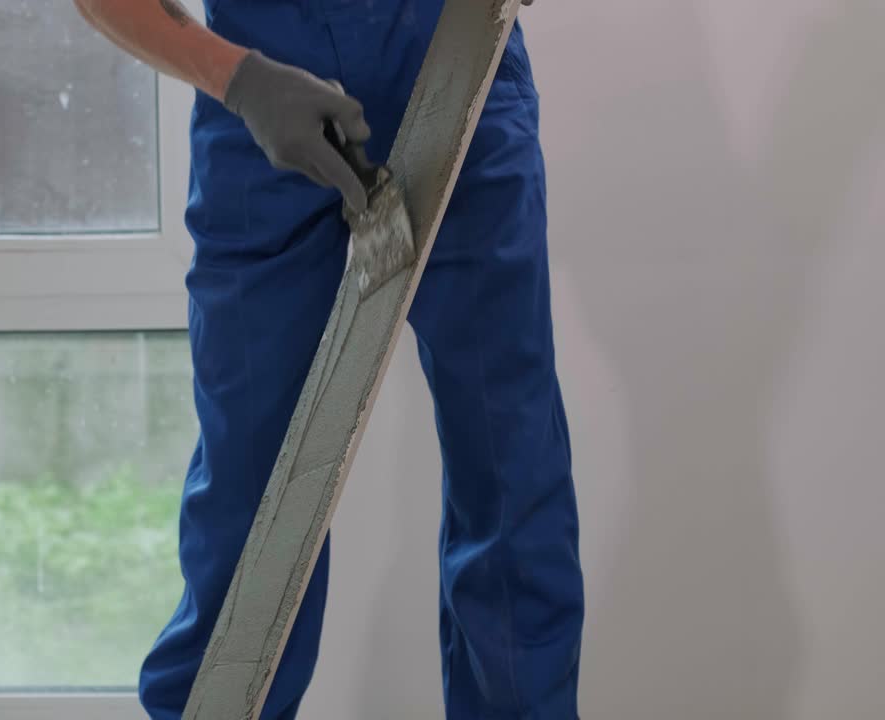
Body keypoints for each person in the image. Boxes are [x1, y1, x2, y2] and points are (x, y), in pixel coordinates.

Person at [74, 1, 583, 717]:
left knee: (511, 461)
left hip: (453, 53)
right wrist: (241, 81)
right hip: (263, 79)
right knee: (251, 484)